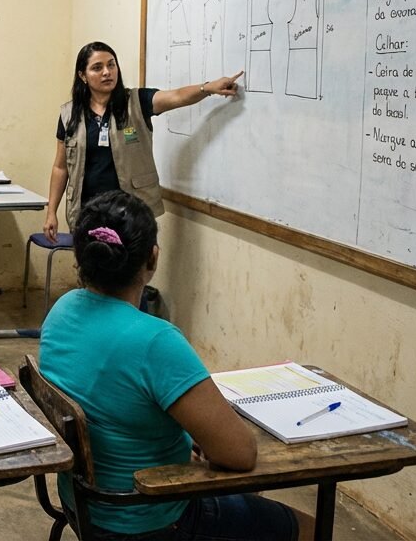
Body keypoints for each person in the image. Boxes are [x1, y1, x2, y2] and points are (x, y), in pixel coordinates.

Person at [39, 191, 313, 541]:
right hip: (150, 518)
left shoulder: (62, 310)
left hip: (82, 507)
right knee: (308, 528)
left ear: (81, 255)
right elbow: (239, 454)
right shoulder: (155, 341)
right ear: (152, 259)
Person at [43, 41, 242, 240]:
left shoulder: (137, 102)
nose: (107, 72)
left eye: (111, 65)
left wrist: (207, 88)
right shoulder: (69, 115)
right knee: (92, 268)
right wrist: (51, 211)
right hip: (88, 213)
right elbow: (61, 167)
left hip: (130, 213)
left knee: (130, 268)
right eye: (97, 67)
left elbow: (176, 96)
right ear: (82, 76)